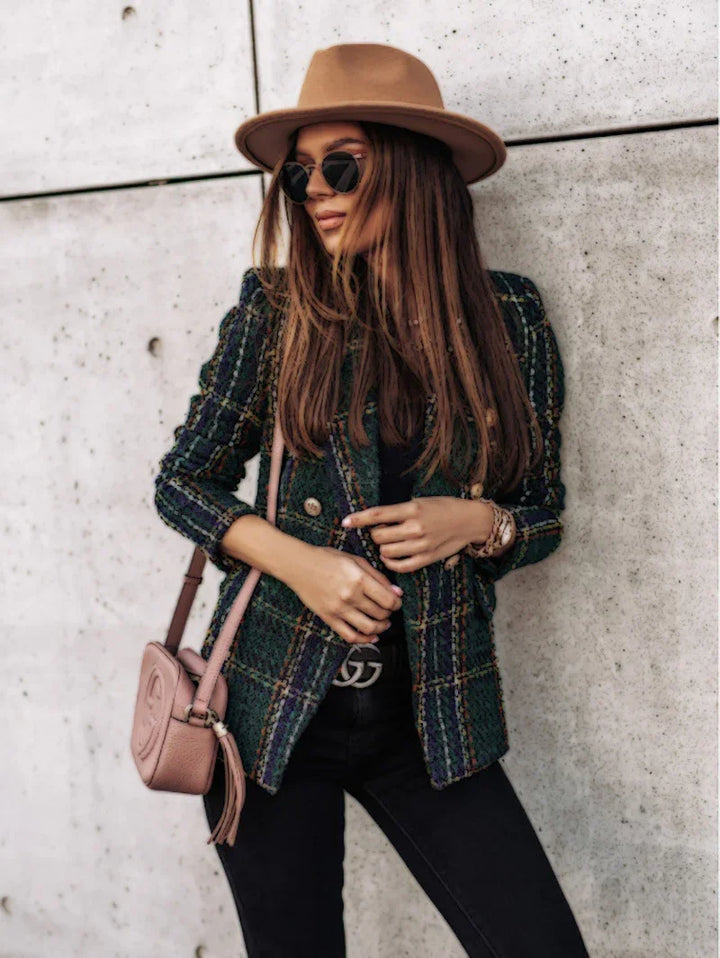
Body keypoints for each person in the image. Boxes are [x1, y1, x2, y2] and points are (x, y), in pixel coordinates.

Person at [154, 43, 589, 957]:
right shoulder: (275, 315)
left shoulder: (509, 320)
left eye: (341, 165)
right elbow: (180, 481)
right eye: (299, 173)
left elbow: (543, 509)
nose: (315, 189)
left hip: (431, 718)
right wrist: (300, 564)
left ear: (414, 170)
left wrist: (482, 523)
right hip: (269, 717)